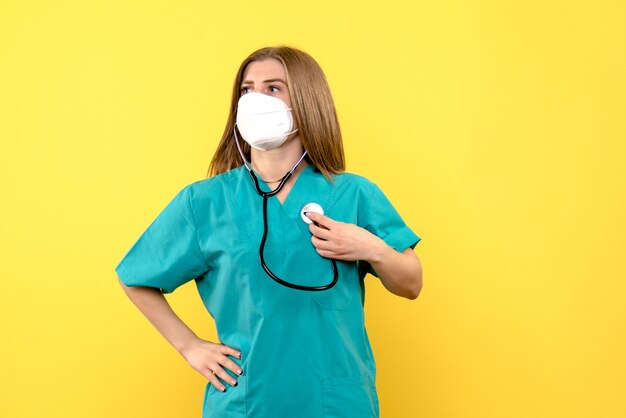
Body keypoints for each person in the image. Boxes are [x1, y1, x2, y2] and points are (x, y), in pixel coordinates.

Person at [115, 45, 423, 418]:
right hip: (247, 402)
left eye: (273, 88)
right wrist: (189, 346)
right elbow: (135, 275)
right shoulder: (205, 202)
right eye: (247, 90)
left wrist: (371, 247)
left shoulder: (354, 193)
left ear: (306, 101)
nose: (255, 99)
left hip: (337, 402)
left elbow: (411, 283)